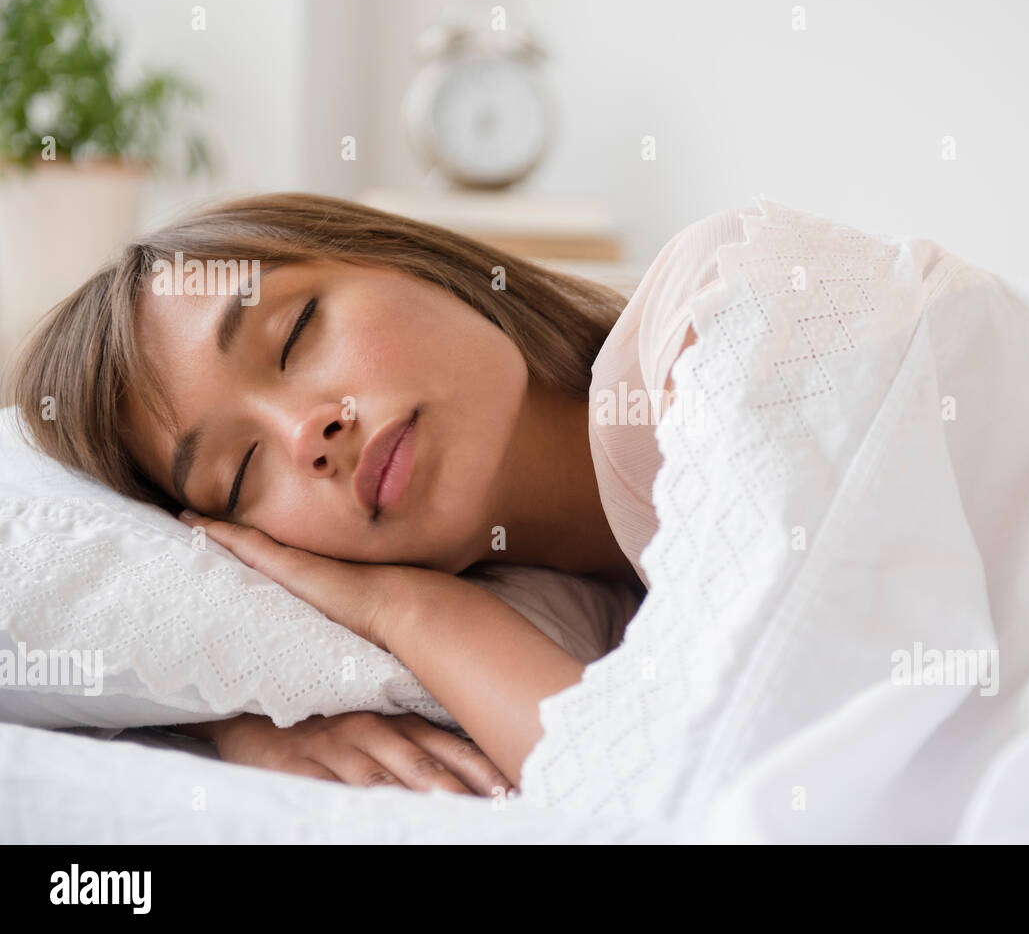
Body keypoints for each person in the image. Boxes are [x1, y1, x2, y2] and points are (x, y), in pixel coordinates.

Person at [3, 192, 751, 795]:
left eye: (295, 331)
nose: (308, 433)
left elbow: (694, 800)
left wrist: (412, 611)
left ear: (403, 260)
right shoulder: (592, 600)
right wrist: (242, 716)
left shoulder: (719, 328)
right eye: (240, 470)